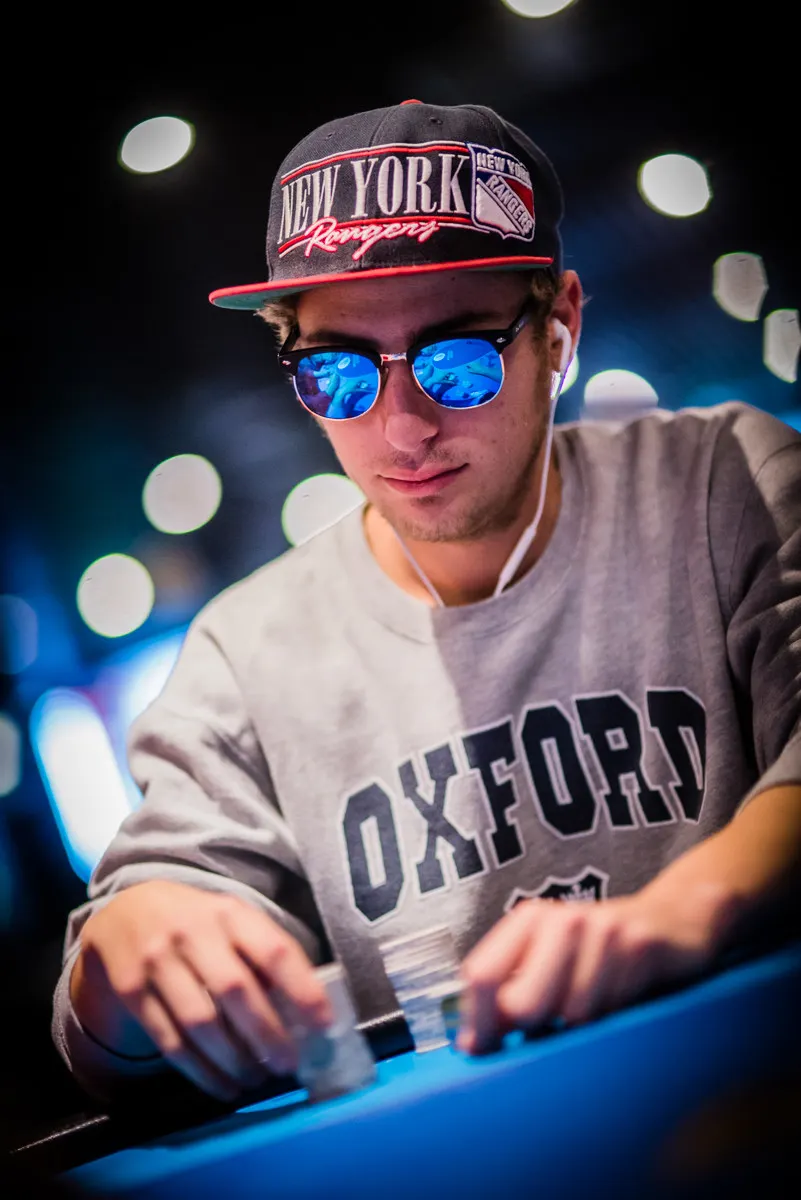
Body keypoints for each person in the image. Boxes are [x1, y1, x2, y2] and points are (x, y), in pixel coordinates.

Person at [53, 99, 801, 1108]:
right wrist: (132, 951)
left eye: (458, 362)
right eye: (337, 375)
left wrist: (682, 913)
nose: (403, 429)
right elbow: (107, 1033)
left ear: (560, 328)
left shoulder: (725, 485)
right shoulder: (247, 652)